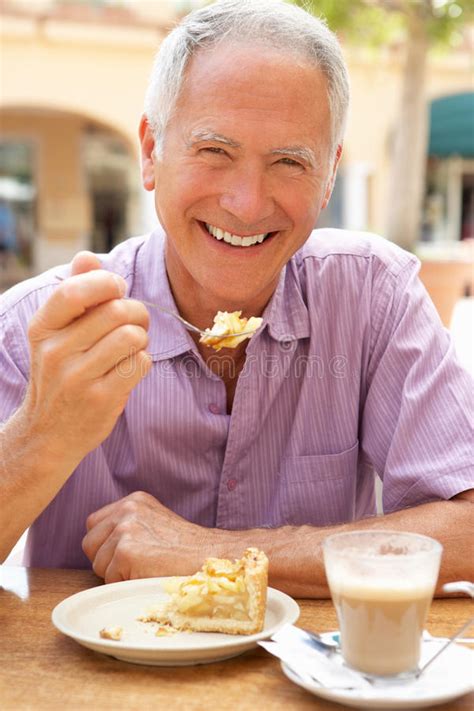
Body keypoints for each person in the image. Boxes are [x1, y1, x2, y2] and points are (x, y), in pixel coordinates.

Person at [0, 0, 472, 597]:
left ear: (329, 175)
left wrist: (209, 555)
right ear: (151, 152)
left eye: (289, 162)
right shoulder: (37, 327)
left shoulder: (372, 298)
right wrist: (44, 432)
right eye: (214, 151)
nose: (247, 204)